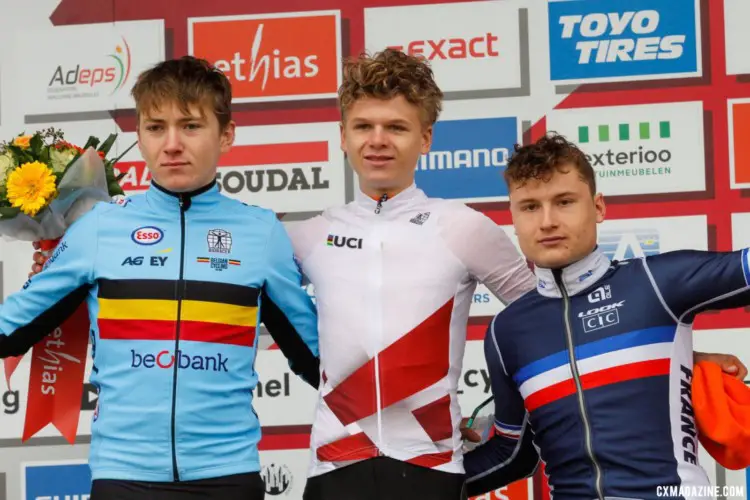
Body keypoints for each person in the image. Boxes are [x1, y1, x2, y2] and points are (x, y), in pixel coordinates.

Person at [30, 52, 744, 499]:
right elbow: (192, 262)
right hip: (330, 469)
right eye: (364, 125)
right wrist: (82, 221)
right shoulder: (293, 236)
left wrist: (672, 348)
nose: (378, 140)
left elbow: (554, 319)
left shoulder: (465, 227)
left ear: (425, 138)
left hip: (431, 471)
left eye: (397, 127)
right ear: (341, 135)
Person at [6, 56, 319, 500]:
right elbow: (12, 328)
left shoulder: (261, 232)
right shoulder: (98, 228)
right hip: (124, 477)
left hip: (227, 477)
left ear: (226, 135)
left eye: (190, 126)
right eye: (156, 128)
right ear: (140, 136)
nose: (171, 144)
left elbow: (317, 359)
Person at [462, 132, 750, 499]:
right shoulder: (507, 331)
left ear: (598, 207)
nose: (547, 221)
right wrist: (408, 482)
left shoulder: (655, 282)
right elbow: (512, 455)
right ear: (513, 218)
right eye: (530, 207)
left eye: (564, 202)